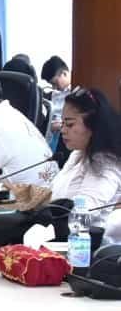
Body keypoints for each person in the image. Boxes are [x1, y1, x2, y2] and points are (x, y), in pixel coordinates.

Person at [49, 88, 121, 223]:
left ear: (93, 125)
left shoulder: (106, 163)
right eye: (62, 123)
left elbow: (84, 212)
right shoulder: (78, 153)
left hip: (81, 234)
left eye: (69, 124)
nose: (63, 130)